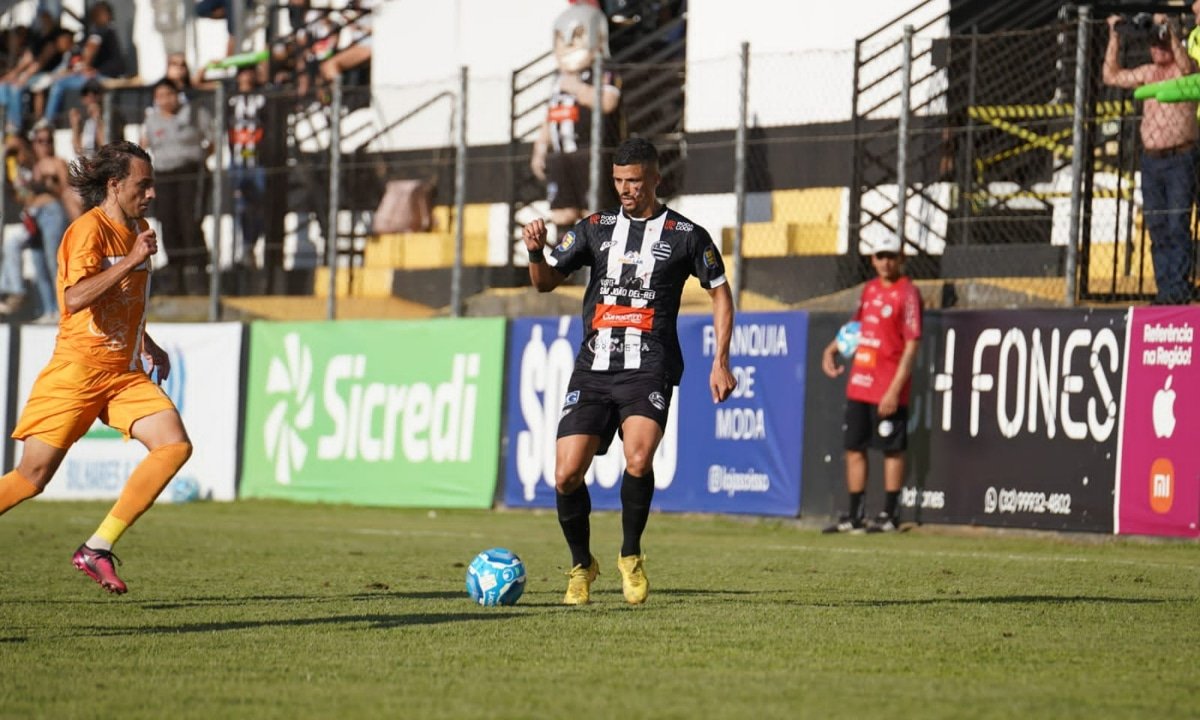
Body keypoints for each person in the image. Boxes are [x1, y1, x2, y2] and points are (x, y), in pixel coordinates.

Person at [521, 137, 737, 605]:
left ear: (656, 179)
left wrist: (721, 360)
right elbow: (545, 283)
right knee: (566, 474)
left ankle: (630, 554)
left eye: (635, 181)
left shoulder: (685, 234)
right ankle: (582, 565)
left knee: (638, 459)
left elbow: (721, 292)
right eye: (619, 180)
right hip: (594, 368)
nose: (626, 189)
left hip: (649, 366)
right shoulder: (594, 229)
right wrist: (536, 253)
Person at [0, 140, 193, 594]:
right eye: (143, 185)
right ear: (114, 185)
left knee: (174, 446)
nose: (151, 194)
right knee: (31, 478)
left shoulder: (139, 228)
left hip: (123, 373)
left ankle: (97, 547)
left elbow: (124, 299)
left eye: (152, 185)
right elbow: (74, 298)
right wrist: (132, 260)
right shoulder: (88, 231)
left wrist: (145, 341)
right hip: (77, 371)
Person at [820, 236, 923, 534]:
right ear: (872, 259)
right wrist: (831, 350)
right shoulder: (870, 290)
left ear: (901, 258)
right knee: (854, 448)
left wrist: (894, 390)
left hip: (888, 388)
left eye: (890, 256)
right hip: (859, 383)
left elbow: (912, 345)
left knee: (891, 450)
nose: (885, 262)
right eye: (880, 256)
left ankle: (890, 516)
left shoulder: (908, 293)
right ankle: (855, 516)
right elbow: (856, 329)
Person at [1104, 13, 1197, 305]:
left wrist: (1169, 32)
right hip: (1152, 160)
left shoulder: (1185, 70)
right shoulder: (1148, 72)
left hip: (1180, 157)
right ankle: (1165, 287)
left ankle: (1178, 288)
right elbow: (1111, 75)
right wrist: (1114, 36)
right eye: (1153, 44)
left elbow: (1186, 65)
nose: (1157, 49)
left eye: (1161, 44)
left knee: (1177, 222)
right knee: (1157, 225)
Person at [531, 2, 623, 243]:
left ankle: (598, 257)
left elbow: (608, 102)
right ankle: (566, 258)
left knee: (593, 212)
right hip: (562, 154)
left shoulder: (603, 69)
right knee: (562, 212)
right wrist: (540, 147)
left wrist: (577, 88)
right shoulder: (558, 78)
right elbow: (551, 112)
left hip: (591, 152)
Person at [141, 77, 213, 294]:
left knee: (190, 221)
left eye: (169, 95)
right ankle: (176, 274)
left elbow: (213, 140)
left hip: (190, 172)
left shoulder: (195, 113)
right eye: (160, 96)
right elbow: (144, 146)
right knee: (168, 222)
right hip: (164, 175)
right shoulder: (152, 120)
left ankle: (198, 271)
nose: (165, 100)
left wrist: (200, 158)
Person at [40, 1, 127, 126]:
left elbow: (90, 50)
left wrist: (84, 67)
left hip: (103, 75)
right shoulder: (108, 31)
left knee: (58, 85)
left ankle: (48, 122)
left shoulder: (101, 30)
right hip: (103, 73)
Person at [69, 78, 106, 157]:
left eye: (95, 92)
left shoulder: (111, 117)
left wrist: (98, 121)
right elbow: (78, 151)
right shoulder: (82, 121)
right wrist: (75, 126)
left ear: (102, 96)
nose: (90, 96)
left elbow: (105, 147)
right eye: (85, 93)